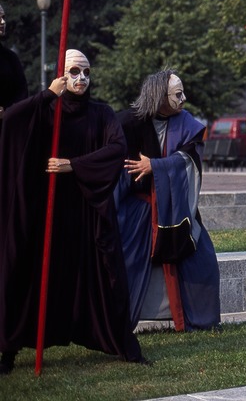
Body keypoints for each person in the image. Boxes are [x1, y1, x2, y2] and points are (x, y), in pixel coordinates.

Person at [0, 50, 145, 375]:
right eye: (74, 72)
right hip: (47, 212)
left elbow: (116, 148)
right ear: (61, 75)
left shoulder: (102, 113)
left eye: (86, 72)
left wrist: (73, 165)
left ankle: (120, 343)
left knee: (106, 274)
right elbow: (11, 121)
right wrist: (48, 94)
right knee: (27, 274)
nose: (81, 79)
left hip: (87, 211)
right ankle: (8, 351)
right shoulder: (47, 110)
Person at [115, 70, 221, 331]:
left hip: (177, 210)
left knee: (203, 262)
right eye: (178, 94)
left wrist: (157, 166)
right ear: (159, 97)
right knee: (126, 261)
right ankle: (117, 322)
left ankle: (198, 319)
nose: (184, 98)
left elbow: (189, 160)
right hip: (138, 208)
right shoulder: (129, 123)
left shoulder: (186, 122)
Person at [0, 3, 29, 134]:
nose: (3, 22)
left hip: (6, 130)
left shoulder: (11, 58)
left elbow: (22, 93)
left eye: (4, 17)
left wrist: (8, 111)